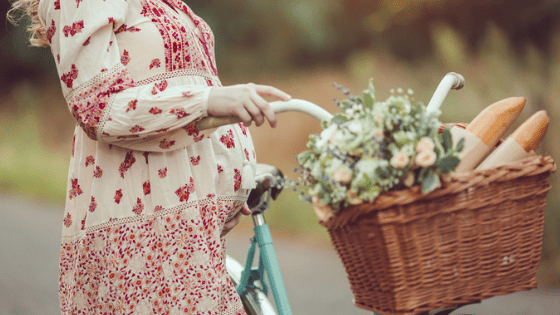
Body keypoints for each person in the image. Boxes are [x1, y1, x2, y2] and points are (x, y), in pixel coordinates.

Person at [7, 0, 291, 313]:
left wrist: (234, 179)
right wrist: (208, 100)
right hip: (147, 226)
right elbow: (99, 107)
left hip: (192, 223)